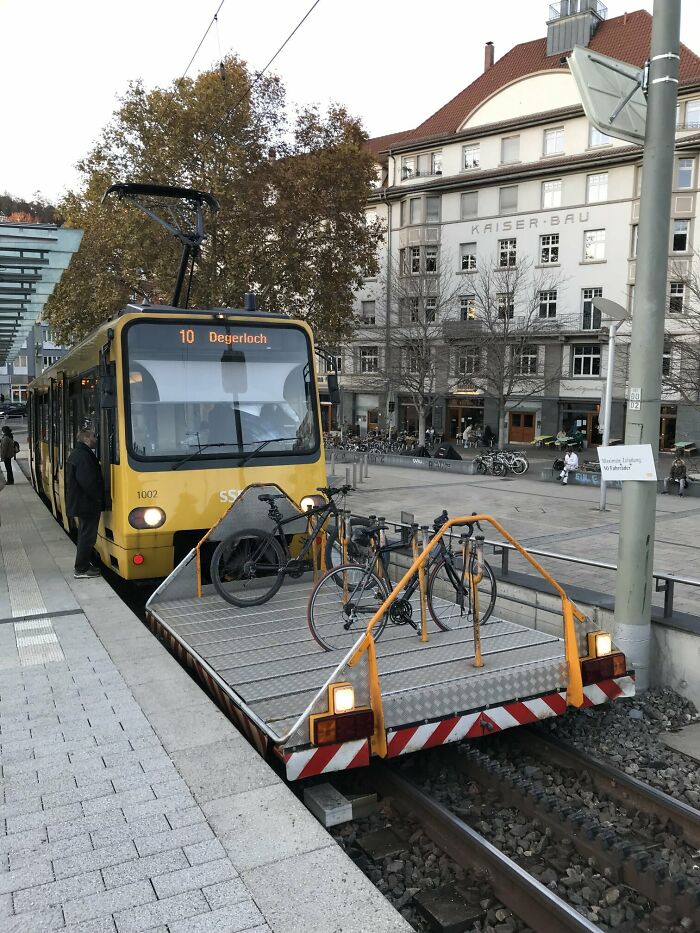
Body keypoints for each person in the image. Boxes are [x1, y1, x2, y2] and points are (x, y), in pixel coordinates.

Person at [66, 429, 105, 578]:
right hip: (86, 504)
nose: (96, 439)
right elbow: (89, 482)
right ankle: (81, 569)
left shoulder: (79, 454)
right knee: (87, 536)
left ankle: (83, 565)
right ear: (86, 439)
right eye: (94, 436)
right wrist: (99, 498)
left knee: (85, 535)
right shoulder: (83, 456)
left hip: (83, 503)